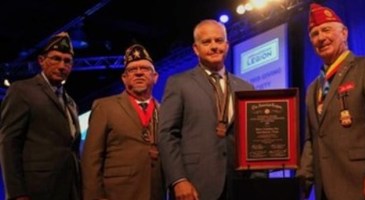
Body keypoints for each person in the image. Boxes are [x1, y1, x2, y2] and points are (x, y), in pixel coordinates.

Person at [296, 3, 365, 200]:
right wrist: (301, 183)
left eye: (326, 30)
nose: (321, 38)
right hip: (326, 189)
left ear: (344, 33)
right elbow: (313, 140)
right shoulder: (313, 89)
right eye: (315, 34)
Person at [158, 19, 254, 200]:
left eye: (218, 41)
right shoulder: (179, 83)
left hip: (239, 184)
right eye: (206, 42)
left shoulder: (246, 87)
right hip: (195, 185)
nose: (214, 46)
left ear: (226, 46)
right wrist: (178, 179)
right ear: (196, 49)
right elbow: (167, 134)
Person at [0, 32, 82, 199]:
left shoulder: (71, 102)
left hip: (70, 190)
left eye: (67, 61)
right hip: (36, 190)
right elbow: (9, 143)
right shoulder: (22, 90)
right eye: (56, 58)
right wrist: (17, 193)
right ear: (41, 61)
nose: (62, 65)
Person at [81, 44, 165, 200]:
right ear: (124, 78)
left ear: (155, 77)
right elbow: (91, 158)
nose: (139, 73)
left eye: (145, 69)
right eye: (132, 70)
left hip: (155, 193)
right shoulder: (105, 107)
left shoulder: (165, 111)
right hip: (116, 194)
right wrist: (94, 196)